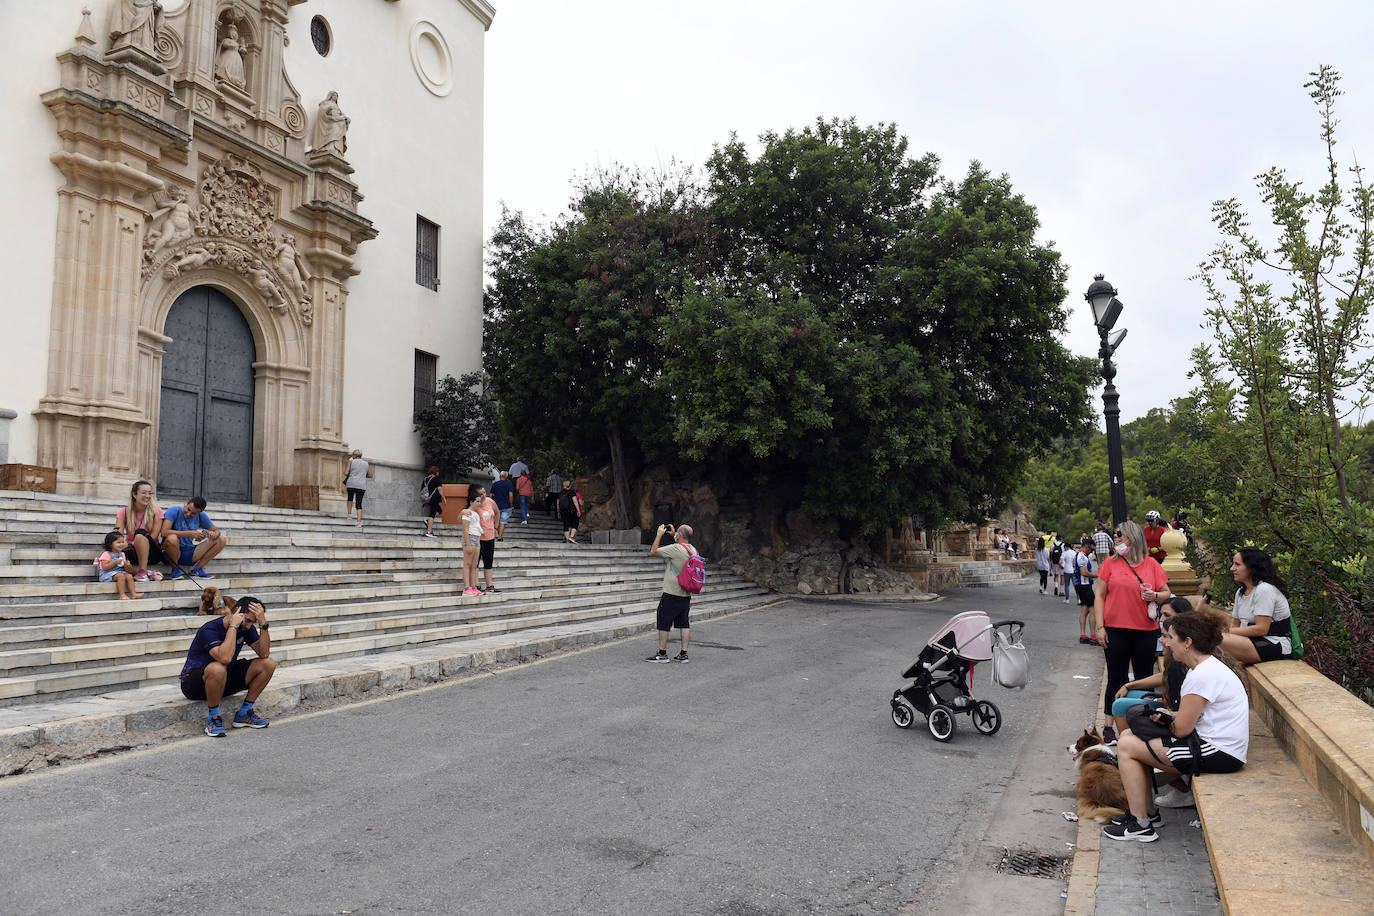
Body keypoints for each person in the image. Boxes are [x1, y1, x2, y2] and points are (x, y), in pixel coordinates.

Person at [1103, 611, 1248, 842]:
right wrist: (1168, 715)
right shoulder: (1204, 668)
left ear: (1187, 642)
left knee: (1128, 745)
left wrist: (1167, 719)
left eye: (1170, 637)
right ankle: (1146, 813)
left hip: (1221, 752)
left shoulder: (1202, 675)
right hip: (1212, 743)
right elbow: (1192, 717)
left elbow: (1181, 730)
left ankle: (1141, 824)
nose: (1166, 642)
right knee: (1131, 735)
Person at [1092, 520, 1172, 727]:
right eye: (1115, 534)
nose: (1116, 537)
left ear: (1133, 537)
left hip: (1145, 630)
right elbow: (1099, 596)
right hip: (1115, 629)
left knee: (1143, 677)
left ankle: (1142, 721)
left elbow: (1166, 593)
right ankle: (1109, 726)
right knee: (1116, 677)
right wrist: (1099, 628)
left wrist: (1153, 594)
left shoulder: (1152, 564)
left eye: (1120, 534)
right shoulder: (1110, 563)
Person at [178, 595, 276, 738]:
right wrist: (233, 626)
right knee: (218, 667)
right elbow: (224, 658)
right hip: (194, 684)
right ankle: (214, 718)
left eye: (253, 623)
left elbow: (264, 654)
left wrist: (263, 624)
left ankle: (244, 713)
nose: (249, 626)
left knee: (268, 664)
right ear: (236, 612)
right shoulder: (209, 629)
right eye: (248, 620)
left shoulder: (247, 627)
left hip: (222, 680)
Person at [1219, 546, 1295, 664]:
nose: (1232, 568)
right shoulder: (1241, 592)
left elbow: (1261, 629)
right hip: (1251, 640)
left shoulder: (1264, 589)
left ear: (1251, 567)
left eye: (1237, 564)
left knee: (1213, 639)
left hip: (1274, 643)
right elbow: (1235, 624)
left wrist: (1223, 632)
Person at [646, 523, 698, 663]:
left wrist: (659, 535)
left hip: (671, 592)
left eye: (677, 532)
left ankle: (662, 653)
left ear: (680, 535)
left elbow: (653, 551)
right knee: (684, 623)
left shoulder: (675, 548)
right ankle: (683, 654)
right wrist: (673, 535)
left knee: (664, 621)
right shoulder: (693, 550)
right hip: (686, 594)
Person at [161, 495, 227, 579]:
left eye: (193, 513)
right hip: (171, 552)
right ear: (187, 503)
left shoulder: (201, 515)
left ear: (199, 512)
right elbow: (164, 532)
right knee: (172, 538)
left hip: (189, 552)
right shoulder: (174, 510)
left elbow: (217, 531)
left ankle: (197, 570)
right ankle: (175, 569)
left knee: (221, 539)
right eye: (188, 509)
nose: (188, 514)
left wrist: (213, 534)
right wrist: (189, 533)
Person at [116, 480, 165, 582]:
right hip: (132, 552)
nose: (147, 496)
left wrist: (130, 544)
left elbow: (154, 537)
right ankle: (148, 573)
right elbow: (117, 536)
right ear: (134, 494)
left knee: (140, 533)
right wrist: (119, 544)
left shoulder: (157, 511)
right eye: (144, 493)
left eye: (149, 493)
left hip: (152, 552)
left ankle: (142, 572)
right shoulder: (124, 512)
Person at [94, 531, 142, 600]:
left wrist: (127, 565)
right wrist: (115, 562)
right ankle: (122, 595)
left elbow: (124, 567)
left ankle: (133, 593)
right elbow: (104, 567)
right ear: (110, 544)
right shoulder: (106, 554)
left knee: (129, 576)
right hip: (107, 574)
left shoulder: (122, 554)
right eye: (118, 542)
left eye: (122, 542)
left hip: (119, 571)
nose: (121, 544)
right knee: (121, 576)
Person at [474, 485, 500, 593]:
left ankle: (490, 585)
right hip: (478, 537)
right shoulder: (475, 504)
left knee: (488, 561)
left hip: (490, 536)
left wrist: (495, 527)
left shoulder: (490, 501)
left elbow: (497, 512)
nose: (483, 495)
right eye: (480, 494)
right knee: (476, 562)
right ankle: (476, 585)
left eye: (484, 493)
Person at [1073, 537, 1099, 643]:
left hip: (1080, 585)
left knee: (1085, 609)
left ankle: (1083, 635)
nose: (1092, 552)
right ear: (1087, 547)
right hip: (1084, 585)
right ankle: (1093, 636)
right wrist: (1097, 575)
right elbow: (1084, 572)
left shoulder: (1078, 555)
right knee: (1093, 610)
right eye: (1091, 549)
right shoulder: (1082, 557)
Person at [460, 491, 483, 596]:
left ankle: (473, 587)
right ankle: (466, 588)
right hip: (470, 538)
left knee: (474, 564)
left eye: (480, 501)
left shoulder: (476, 514)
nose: (479, 503)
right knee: (467, 564)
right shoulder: (467, 513)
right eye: (477, 501)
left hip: (477, 538)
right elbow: (465, 528)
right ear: (471, 502)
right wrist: (468, 544)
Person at [343, 449, 372, 528]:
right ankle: (358, 522)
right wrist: (362, 475)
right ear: (361, 456)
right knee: (359, 503)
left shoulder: (351, 461)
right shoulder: (366, 463)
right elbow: (370, 475)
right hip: (361, 485)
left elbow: (345, 473)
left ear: (354, 456)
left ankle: (349, 515)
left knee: (350, 498)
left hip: (351, 483)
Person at [421, 466, 445, 538]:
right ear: (436, 472)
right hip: (434, 498)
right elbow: (439, 488)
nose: (438, 473)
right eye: (438, 472)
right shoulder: (436, 478)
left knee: (439, 510)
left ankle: (428, 520)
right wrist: (443, 497)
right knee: (432, 513)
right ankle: (429, 532)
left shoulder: (425, 479)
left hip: (428, 498)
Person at [491, 471, 514, 540]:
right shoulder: (509, 484)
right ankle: (500, 537)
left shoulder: (495, 484)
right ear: (506, 477)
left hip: (496, 506)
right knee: (503, 522)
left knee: (497, 521)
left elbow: (491, 495)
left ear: (500, 476)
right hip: (506, 506)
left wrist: (490, 504)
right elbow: (511, 495)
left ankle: (499, 535)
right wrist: (511, 504)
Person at [1060, 539, 1079, 606]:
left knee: (1067, 585)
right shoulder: (1075, 553)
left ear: (1066, 547)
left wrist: (1061, 566)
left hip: (1066, 571)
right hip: (1073, 570)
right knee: (1076, 585)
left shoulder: (1064, 553)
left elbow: (1060, 561)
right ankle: (1078, 599)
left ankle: (1067, 599)